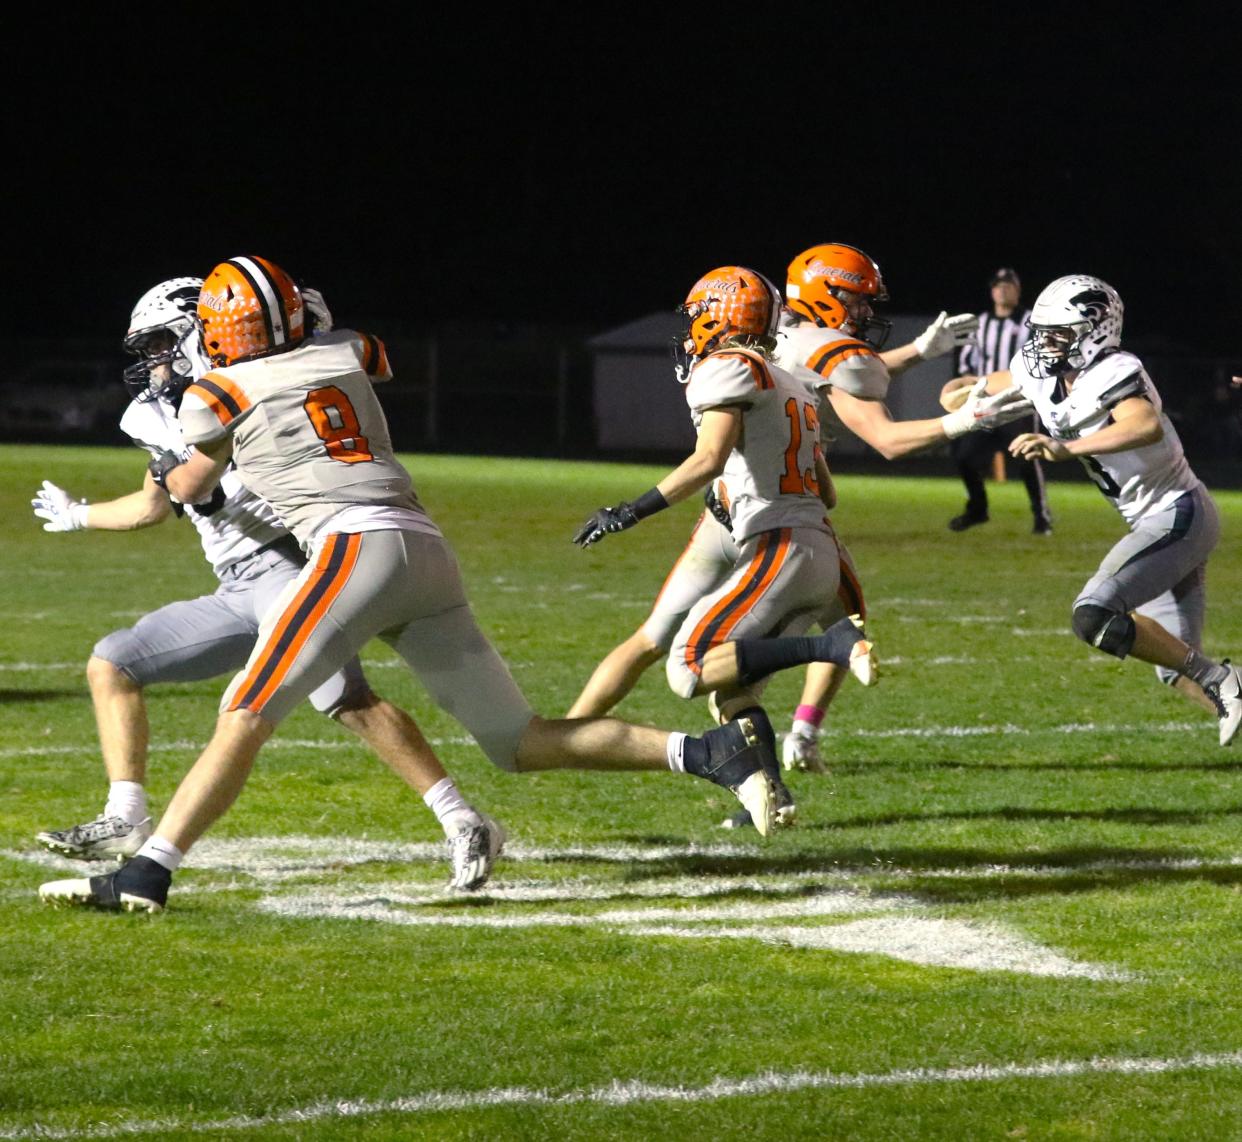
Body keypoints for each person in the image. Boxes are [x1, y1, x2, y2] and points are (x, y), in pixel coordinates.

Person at [39, 255, 781, 915]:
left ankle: (148, 872)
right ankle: (711, 753)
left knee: (246, 708)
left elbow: (191, 484)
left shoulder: (218, 394)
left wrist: (157, 466)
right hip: (423, 551)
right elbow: (360, 347)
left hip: (350, 550)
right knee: (517, 741)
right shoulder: (347, 350)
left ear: (221, 332)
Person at [31, 278, 502, 891]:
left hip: (295, 568)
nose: (152, 363)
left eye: (161, 345)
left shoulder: (257, 385)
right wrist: (78, 515)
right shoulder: (160, 411)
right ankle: (125, 818)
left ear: (200, 334)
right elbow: (153, 504)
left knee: (343, 699)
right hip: (236, 585)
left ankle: (461, 817)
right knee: (113, 662)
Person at [569, 244, 1031, 781]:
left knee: (660, 640)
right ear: (826, 292)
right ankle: (800, 734)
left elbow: (829, 368)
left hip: (724, 506)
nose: (864, 314)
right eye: (856, 301)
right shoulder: (824, 351)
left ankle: (569, 735)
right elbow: (872, 417)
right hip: (783, 517)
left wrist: (918, 353)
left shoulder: (768, 332)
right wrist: (962, 418)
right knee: (831, 626)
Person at [571, 265, 883, 827]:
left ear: (720, 314)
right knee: (728, 682)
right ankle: (767, 795)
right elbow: (828, 493)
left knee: (687, 666)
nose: (691, 329)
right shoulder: (792, 381)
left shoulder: (729, 367)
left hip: (777, 546)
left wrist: (629, 511)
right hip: (818, 550)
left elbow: (707, 460)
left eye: (697, 316)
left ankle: (832, 646)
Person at [952, 274, 1241, 744]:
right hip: (1157, 517)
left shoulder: (1115, 369)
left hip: (1177, 512)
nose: (1044, 344)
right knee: (1175, 663)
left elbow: (1143, 424)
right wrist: (965, 397)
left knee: (1094, 615)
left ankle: (1220, 678)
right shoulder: (1046, 372)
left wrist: (1066, 449)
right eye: (1041, 332)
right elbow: (976, 388)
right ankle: (1220, 679)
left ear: (1095, 330)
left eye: (1057, 334)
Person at [947, 267, 1052, 534]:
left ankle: (1041, 517)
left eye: (1009, 285)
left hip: (1018, 403)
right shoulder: (981, 323)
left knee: (1028, 458)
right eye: (998, 285)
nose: (1003, 289)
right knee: (964, 457)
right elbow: (965, 366)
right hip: (984, 404)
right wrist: (968, 389)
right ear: (992, 291)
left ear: (1018, 290)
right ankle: (978, 510)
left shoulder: (1031, 321)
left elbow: (1041, 362)